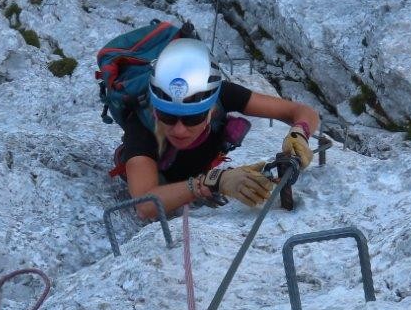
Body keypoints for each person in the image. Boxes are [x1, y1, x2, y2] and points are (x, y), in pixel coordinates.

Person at [117, 37, 318, 220]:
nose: (179, 130)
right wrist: (214, 181)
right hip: (163, 177)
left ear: (211, 108)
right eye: (166, 116)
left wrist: (299, 133)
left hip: (196, 168)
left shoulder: (224, 95)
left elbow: (300, 111)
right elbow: (144, 205)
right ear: (155, 110)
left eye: (192, 118)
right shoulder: (141, 127)